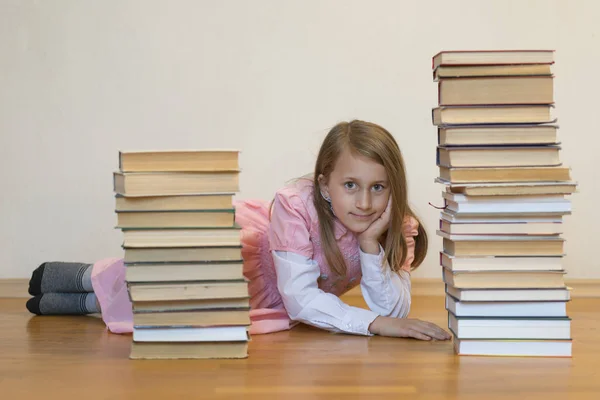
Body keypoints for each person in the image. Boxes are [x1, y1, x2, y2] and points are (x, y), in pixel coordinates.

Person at [26, 120, 451, 341]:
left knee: (145, 312)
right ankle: (73, 278)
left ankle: (77, 300)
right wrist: (373, 325)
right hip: (240, 265)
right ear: (325, 184)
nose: (364, 203)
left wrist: (370, 247)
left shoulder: (389, 226)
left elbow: (394, 314)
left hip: (268, 299)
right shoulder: (296, 205)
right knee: (149, 281)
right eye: (350, 186)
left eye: (378, 188)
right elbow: (301, 300)